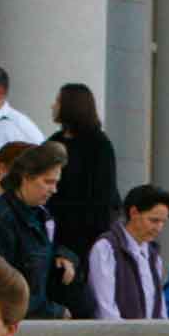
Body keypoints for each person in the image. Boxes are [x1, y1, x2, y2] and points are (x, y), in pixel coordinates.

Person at [0, 141, 83, 320]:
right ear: (26, 178)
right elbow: (0, 291)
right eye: (48, 182)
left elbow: (41, 252)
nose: (54, 189)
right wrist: (55, 312)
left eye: (56, 182)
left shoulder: (37, 213)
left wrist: (62, 254)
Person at [46, 82, 120, 277]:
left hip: (85, 233)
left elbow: (102, 197)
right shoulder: (54, 141)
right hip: (54, 228)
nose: (53, 105)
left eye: (58, 101)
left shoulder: (99, 145)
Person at [89, 184, 169, 320]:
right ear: (134, 212)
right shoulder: (106, 247)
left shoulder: (154, 255)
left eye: (163, 222)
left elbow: (159, 306)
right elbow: (104, 307)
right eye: (154, 220)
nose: (159, 228)